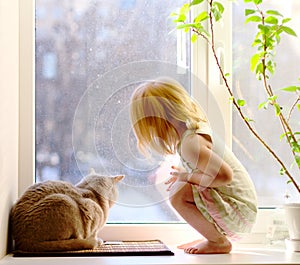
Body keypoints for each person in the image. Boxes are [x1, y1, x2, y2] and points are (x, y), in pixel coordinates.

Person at [130, 77, 257, 254]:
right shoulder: (193, 133)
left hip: (238, 214)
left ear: (155, 122)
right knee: (181, 186)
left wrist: (188, 176)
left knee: (178, 194)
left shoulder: (191, 143)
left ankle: (218, 241)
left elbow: (225, 176)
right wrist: (187, 174)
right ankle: (212, 236)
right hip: (241, 213)